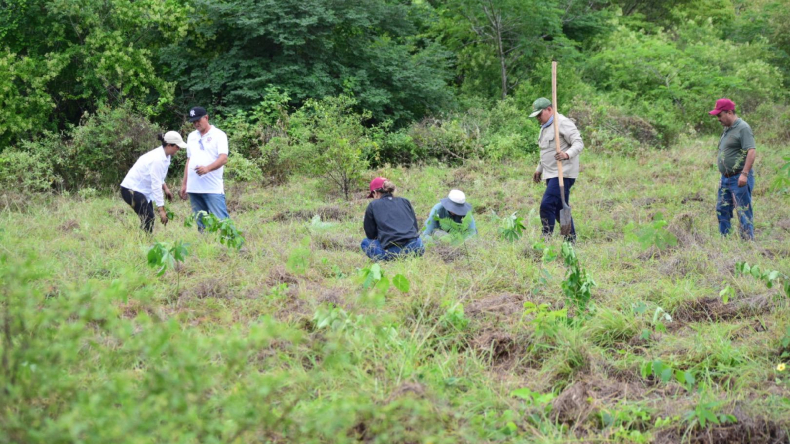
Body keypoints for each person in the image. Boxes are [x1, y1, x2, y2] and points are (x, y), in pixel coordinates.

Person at [530, 97, 584, 241]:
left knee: (547, 204)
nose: (538, 119)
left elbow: (578, 143)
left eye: (539, 115)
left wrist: (567, 154)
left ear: (549, 109)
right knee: (561, 207)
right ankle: (570, 239)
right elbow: (546, 151)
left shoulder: (562, 123)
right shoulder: (545, 127)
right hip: (550, 173)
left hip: (563, 173)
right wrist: (539, 169)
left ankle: (546, 236)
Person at [120, 131, 187, 233]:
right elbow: (156, 185)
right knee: (149, 217)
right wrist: (161, 210)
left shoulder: (166, 156)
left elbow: (158, 177)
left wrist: (166, 189)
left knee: (148, 217)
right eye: (177, 147)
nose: (178, 149)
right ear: (169, 145)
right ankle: (143, 243)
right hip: (131, 189)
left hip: (143, 191)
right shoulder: (157, 159)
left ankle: (145, 241)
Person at [710, 98, 756, 240]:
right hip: (726, 178)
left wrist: (744, 174)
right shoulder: (727, 129)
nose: (718, 119)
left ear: (729, 112)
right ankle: (725, 239)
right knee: (722, 209)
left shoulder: (743, 128)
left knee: (743, 211)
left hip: (739, 177)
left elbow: (751, 151)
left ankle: (748, 241)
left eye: (719, 115)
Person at [180, 106, 230, 232]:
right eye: (193, 122)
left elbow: (223, 158)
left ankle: (232, 245)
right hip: (194, 187)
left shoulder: (219, 135)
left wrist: (207, 168)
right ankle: (206, 245)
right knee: (201, 222)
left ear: (206, 118)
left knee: (222, 220)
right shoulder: (191, 136)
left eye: (198, 120)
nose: (196, 124)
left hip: (212, 187)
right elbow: (189, 160)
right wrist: (184, 184)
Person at [361, 177, 424, 261]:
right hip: (416, 246)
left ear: (375, 193)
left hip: (393, 251)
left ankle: (390, 259)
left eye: (372, 195)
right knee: (417, 240)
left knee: (365, 243)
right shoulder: (405, 201)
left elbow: (370, 235)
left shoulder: (373, 205)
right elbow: (415, 228)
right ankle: (411, 256)